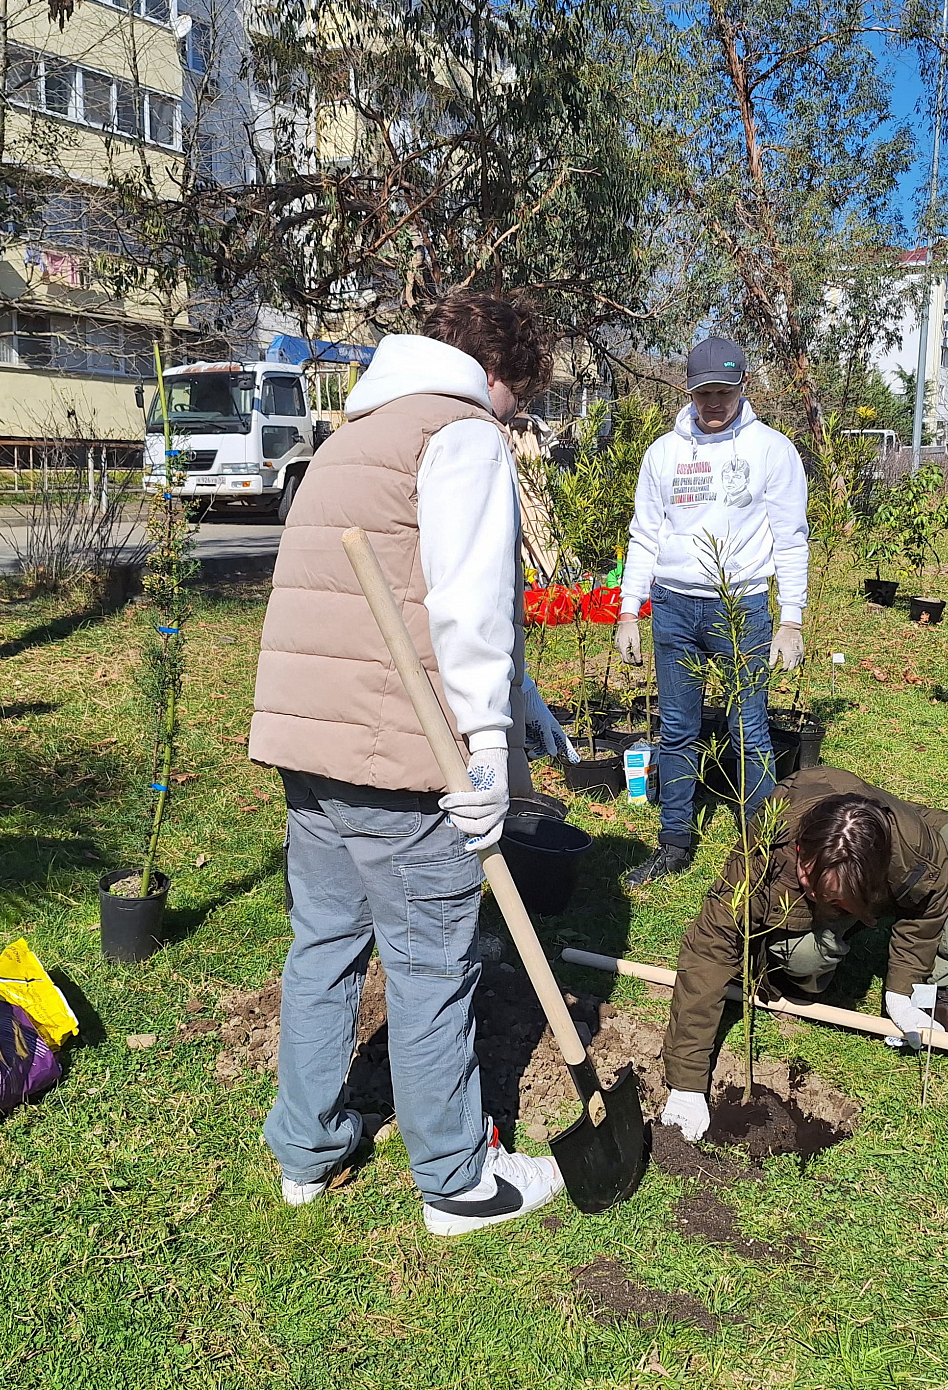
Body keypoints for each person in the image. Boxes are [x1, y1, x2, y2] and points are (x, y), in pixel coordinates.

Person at [247, 291, 566, 1237]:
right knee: (431, 965)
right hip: (399, 753)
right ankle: (458, 1183)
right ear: (494, 374)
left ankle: (306, 1152)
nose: (512, 419)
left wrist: (521, 697)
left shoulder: (355, 436)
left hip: (311, 744)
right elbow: (467, 607)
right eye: (518, 399)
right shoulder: (460, 433)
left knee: (325, 948)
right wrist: (487, 749)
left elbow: (385, 587)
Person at [656, 766, 948, 1141]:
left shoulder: (910, 849)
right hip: (793, 894)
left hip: (890, 850)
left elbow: (925, 906)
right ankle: (794, 957)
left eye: (841, 897)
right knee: (808, 962)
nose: (825, 898)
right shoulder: (767, 854)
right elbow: (710, 950)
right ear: (802, 854)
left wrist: (903, 990)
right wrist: (687, 1083)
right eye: (818, 887)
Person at [615, 335, 808, 887]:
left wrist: (790, 619)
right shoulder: (664, 454)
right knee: (675, 728)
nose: (714, 403)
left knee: (748, 727)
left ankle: (764, 849)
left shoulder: (772, 451)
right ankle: (674, 840)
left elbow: (791, 537)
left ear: (743, 387)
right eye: (704, 394)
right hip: (673, 607)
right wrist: (630, 610)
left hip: (739, 605)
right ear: (689, 392)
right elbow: (644, 533)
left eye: (724, 391)